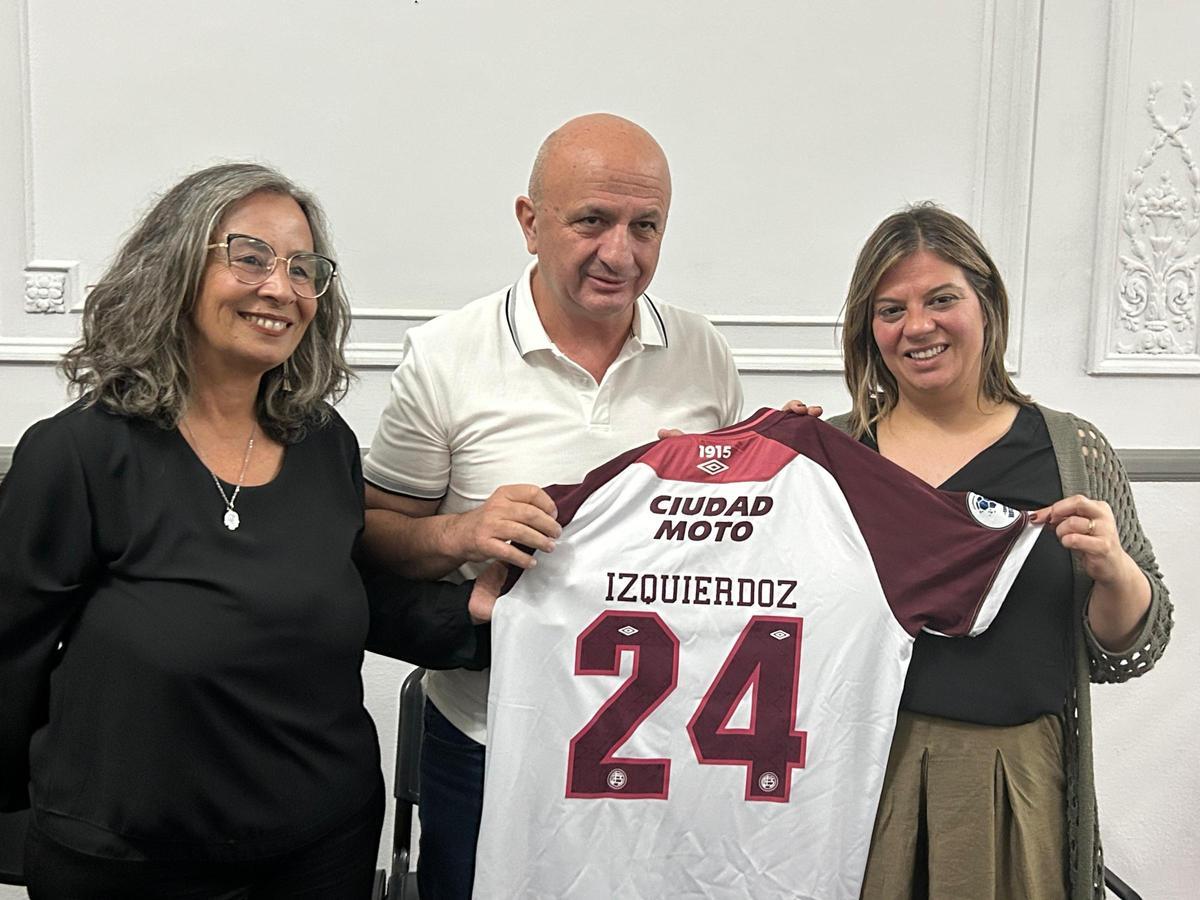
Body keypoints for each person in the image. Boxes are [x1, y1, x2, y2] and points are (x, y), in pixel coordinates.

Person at [0, 162, 496, 899]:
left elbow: (337, 595)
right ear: (176, 266)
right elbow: (11, 654)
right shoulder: (77, 454)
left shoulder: (322, 442)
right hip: (130, 861)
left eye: (304, 268)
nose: (281, 287)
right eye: (250, 256)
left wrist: (485, 621)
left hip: (321, 848)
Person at [361, 113, 744, 898]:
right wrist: (462, 531)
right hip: (489, 741)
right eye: (593, 221)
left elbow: (739, 542)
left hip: (662, 744)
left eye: (646, 226)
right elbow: (370, 533)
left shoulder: (703, 351)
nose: (621, 254)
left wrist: (771, 472)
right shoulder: (446, 354)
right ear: (530, 224)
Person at [822, 202, 1173, 899]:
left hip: (1017, 783)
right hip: (859, 785)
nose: (917, 326)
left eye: (941, 299)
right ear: (869, 330)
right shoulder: (835, 458)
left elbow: (1131, 646)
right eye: (890, 309)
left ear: (986, 303)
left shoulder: (1072, 451)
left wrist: (1112, 570)